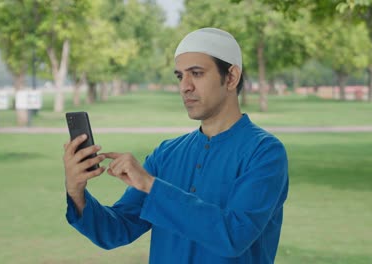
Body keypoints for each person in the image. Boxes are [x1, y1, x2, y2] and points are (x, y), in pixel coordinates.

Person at [63, 27, 289, 264]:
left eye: (197, 73)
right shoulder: (167, 154)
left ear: (231, 77)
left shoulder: (264, 153)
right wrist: (76, 192)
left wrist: (151, 185)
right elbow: (117, 229)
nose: (185, 86)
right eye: (180, 76)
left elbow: (234, 236)